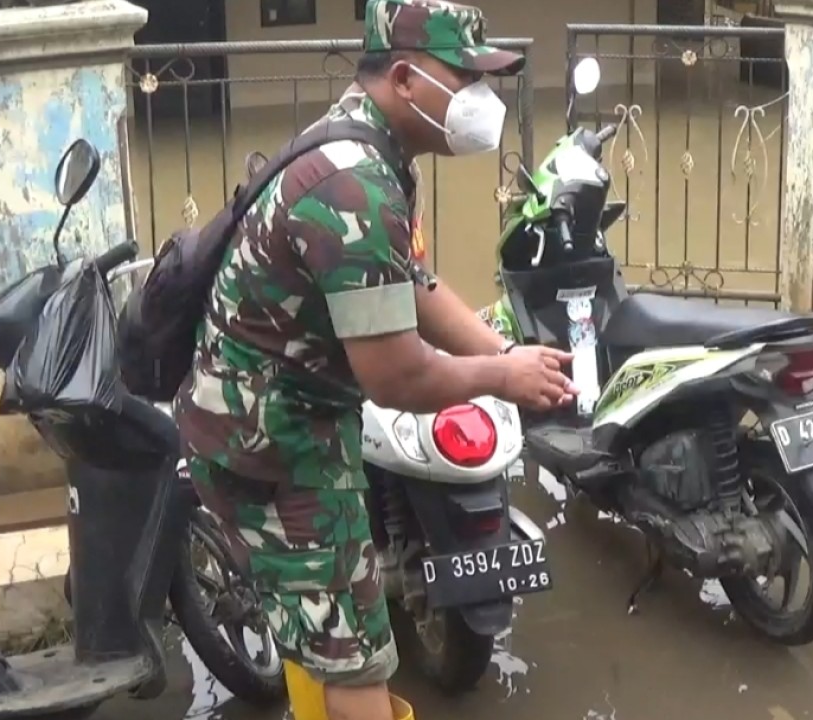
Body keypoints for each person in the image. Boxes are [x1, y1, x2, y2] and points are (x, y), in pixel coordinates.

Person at [173, 2, 576, 719]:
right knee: (355, 656)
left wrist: (506, 350)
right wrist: (500, 378)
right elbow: (397, 377)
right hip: (275, 446)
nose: (486, 99)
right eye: (468, 77)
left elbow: (411, 285)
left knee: (320, 633)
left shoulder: (367, 152)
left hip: (268, 422)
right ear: (406, 79)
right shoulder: (354, 184)